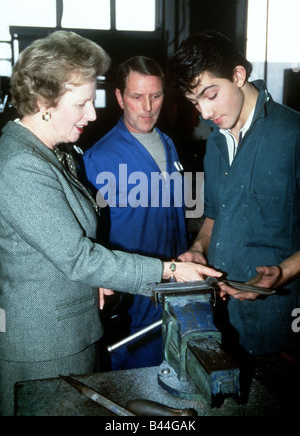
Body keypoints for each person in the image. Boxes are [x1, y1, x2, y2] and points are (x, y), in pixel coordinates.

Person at [0, 31, 222, 416]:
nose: (92, 113)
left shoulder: (56, 153)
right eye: (82, 103)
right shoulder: (21, 165)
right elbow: (79, 257)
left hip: (76, 328)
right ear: (42, 102)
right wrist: (170, 270)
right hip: (45, 346)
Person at [166, 30, 300, 358]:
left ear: (238, 75)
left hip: (282, 322)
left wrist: (283, 273)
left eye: (210, 94)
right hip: (223, 316)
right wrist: (199, 248)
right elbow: (214, 214)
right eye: (195, 102)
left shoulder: (293, 135)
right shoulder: (215, 143)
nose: (205, 113)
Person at [82, 56, 189, 370]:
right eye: (136, 96)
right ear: (119, 97)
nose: (148, 106)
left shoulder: (169, 145)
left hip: (175, 286)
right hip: (132, 298)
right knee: (133, 385)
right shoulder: (98, 159)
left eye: (155, 96)